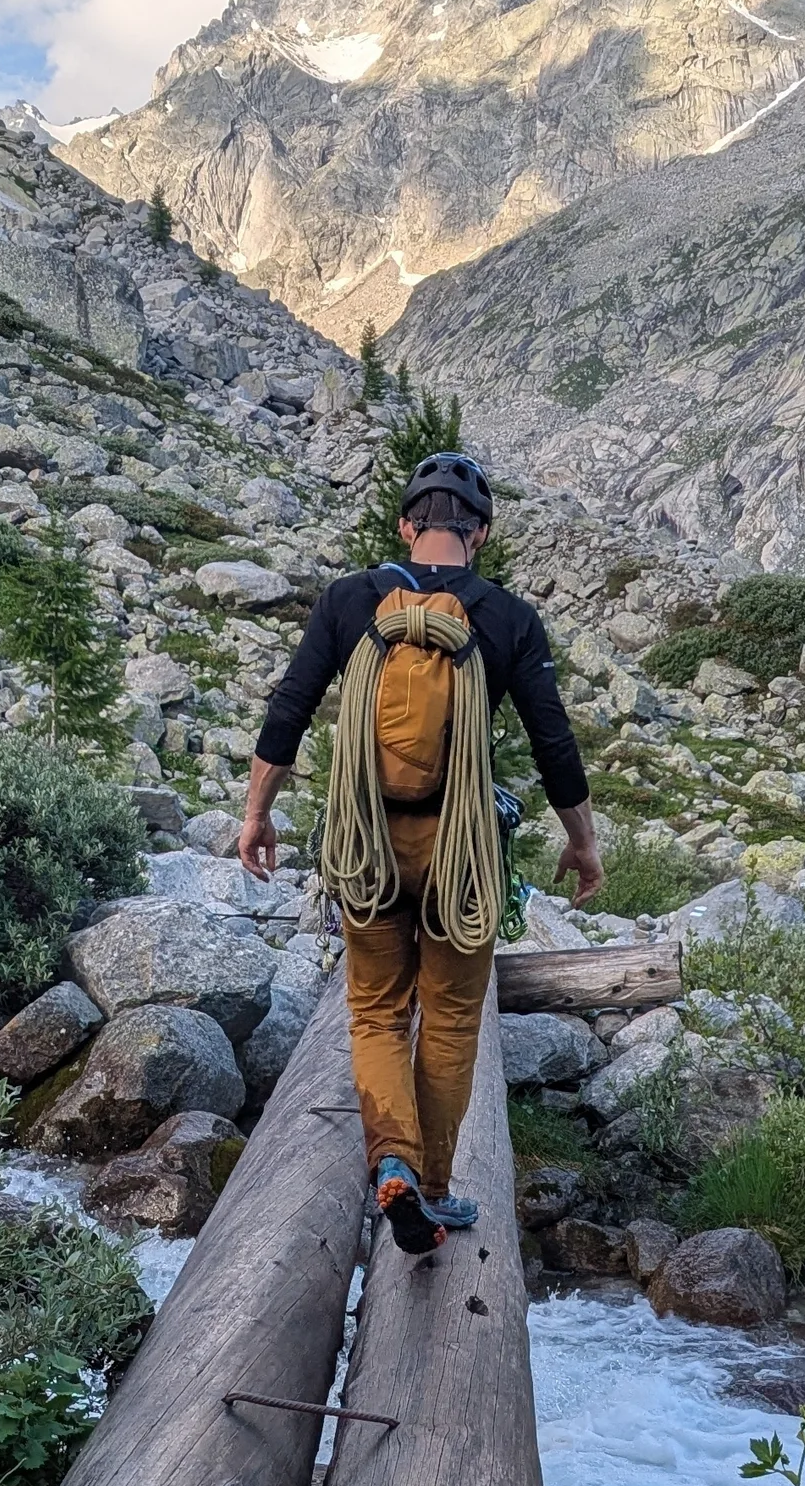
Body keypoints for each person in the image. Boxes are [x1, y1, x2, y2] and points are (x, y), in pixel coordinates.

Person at [238, 449, 602, 1255]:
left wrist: (257, 812)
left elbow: (289, 707)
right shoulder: (506, 619)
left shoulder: (349, 602)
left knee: (373, 1009)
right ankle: (429, 1192)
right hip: (460, 853)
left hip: (368, 846)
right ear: (479, 535)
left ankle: (391, 1160)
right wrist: (582, 842)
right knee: (449, 1017)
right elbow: (554, 742)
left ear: (407, 525)